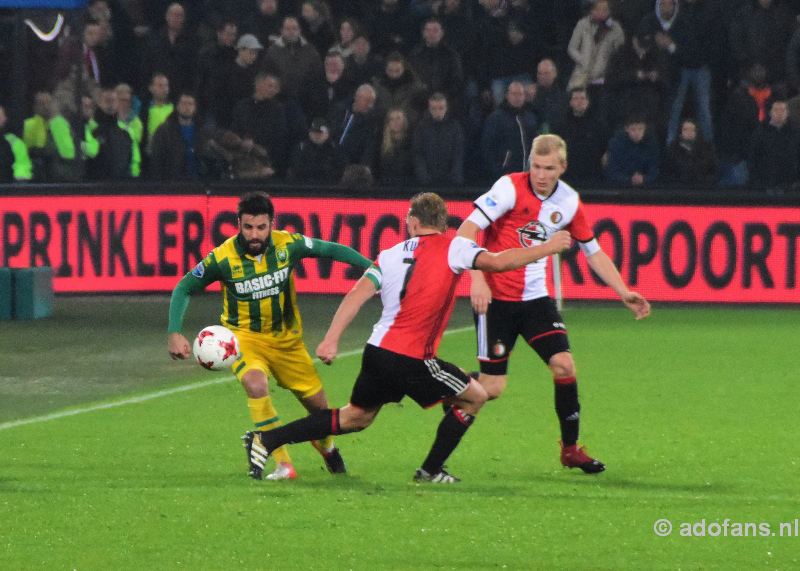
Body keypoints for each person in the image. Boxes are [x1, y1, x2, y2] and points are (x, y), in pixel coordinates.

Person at [243, 192, 573, 482]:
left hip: (377, 352)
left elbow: (356, 294)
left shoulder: (388, 254)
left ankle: (267, 440)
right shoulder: (455, 247)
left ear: (411, 222)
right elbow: (499, 263)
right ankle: (431, 471)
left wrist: (332, 339)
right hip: (413, 358)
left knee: (354, 418)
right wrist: (546, 248)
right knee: (475, 397)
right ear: (443, 223)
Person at [457, 134, 651, 474]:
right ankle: (450, 385)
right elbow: (468, 229)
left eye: (549, 168)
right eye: (535, 166)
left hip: (535, 300)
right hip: (496, 298)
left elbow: (593, 252)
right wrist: (476, 277)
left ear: (562, 167)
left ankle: (570, 449)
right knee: (492, 388)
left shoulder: (569, 202)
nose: (541, 175)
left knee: (564, 366)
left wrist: (623, 290)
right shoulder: (508, 188)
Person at [167, 192, 373, 480]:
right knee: (255, 383)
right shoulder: (222, 257)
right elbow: (183, 288)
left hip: (287, 342)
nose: (254, 234)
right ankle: (283, 464)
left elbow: (331, 250)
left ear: (271, 225)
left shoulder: (288, 244)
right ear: (238, 223)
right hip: (244, 338)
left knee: (320, 410)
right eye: (248, 227)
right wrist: (174, 331)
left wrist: (373, 269)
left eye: (261, 227)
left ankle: (326, 447)